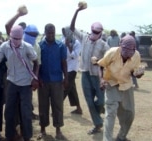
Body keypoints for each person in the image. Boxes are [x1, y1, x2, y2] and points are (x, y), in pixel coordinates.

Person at [0, 7, 39, 141]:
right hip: (11, 82)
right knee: (9, 111)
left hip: (25, 84)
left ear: (22, 37)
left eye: (18, 38)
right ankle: (9, 136)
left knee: (26, 112)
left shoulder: (27, 47)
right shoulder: (5, 46)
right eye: (14, 38)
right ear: (10, 36)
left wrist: (35, 78)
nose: (16, 41)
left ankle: (27, 136)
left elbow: (36, 63)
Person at [69, 5, 109, 135]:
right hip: (85, 73)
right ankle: (97, 124)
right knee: (89, 101)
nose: (95, 34)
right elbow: (72, 28)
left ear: (101, 32)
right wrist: (76, 11)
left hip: (98, 76)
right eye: (94, 31)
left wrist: (99, 62)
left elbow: (108, 61)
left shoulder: (103, 45)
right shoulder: (84, 38)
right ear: (91, 29)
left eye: (98, 32)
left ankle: (98, 112)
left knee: (101, 101)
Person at [97, 35, 144, 141]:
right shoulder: (112, 52)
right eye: (125, 53)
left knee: (130, 114)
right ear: (120, 47)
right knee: (110, 114)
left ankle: (121, 137)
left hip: (126, 85)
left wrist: (138, 75)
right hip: (112, 84)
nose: (127, 56)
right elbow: (101, 65)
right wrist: (102, 80)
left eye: (129, 55)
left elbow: (133, 72)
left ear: (134, 50)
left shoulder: (136, 56)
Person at [37, 23, 68, 140]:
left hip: (57, 81)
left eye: (53, 33)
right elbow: (38, 64)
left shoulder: (61, 46)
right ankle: (43, 129)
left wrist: (66, 78)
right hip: (43, 81)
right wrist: (38, 78)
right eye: (49, 33)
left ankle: (58, 130)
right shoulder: (40, 46)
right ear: (45, 32)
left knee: (57, 106)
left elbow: (64, 63)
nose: (51, 35)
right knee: (43, 106)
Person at [61, 26, 83, 115]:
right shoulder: (63, 40)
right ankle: (78, 108)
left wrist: (69, 46)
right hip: (66, 67)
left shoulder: (77, 42)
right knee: (72, 89)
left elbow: (75, 55)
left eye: (65, 32)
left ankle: (57, 106)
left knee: (65, 88)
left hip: (73, 68)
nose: (64, 34)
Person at [23, 24, 40, 120]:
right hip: (17, 77)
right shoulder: (18, 43)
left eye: (35, 34)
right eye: (30, 34)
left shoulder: (37, 46)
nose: (32, 36)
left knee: (27, 99)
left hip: (30, 77)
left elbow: (38, 63)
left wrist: (35, 78)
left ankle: (28, 116)